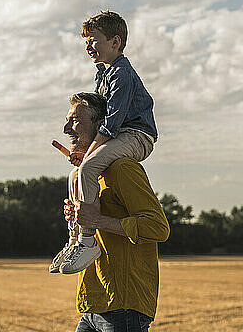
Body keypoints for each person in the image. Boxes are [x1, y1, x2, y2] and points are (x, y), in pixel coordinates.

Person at [50, 11, 159, 275]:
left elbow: (110, 123)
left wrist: (90, 152)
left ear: (115, 42)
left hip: (136, 135)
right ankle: (75, 238)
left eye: (94, 40)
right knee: (76, 174)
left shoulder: (121, 74)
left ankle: (88, 242)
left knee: (87, 168)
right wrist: (87, 154)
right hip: (120, 134)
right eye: (86, 41)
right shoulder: (104, 74)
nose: (88, 46)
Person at [59, 92, 170, 332]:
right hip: (93, 303)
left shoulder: (122, 168)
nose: (67, 128)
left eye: (75, 120)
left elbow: (158, 227)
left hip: (124, 307)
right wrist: (78, 220)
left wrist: (97, 219)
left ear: (101, 126)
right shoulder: (87, 176)